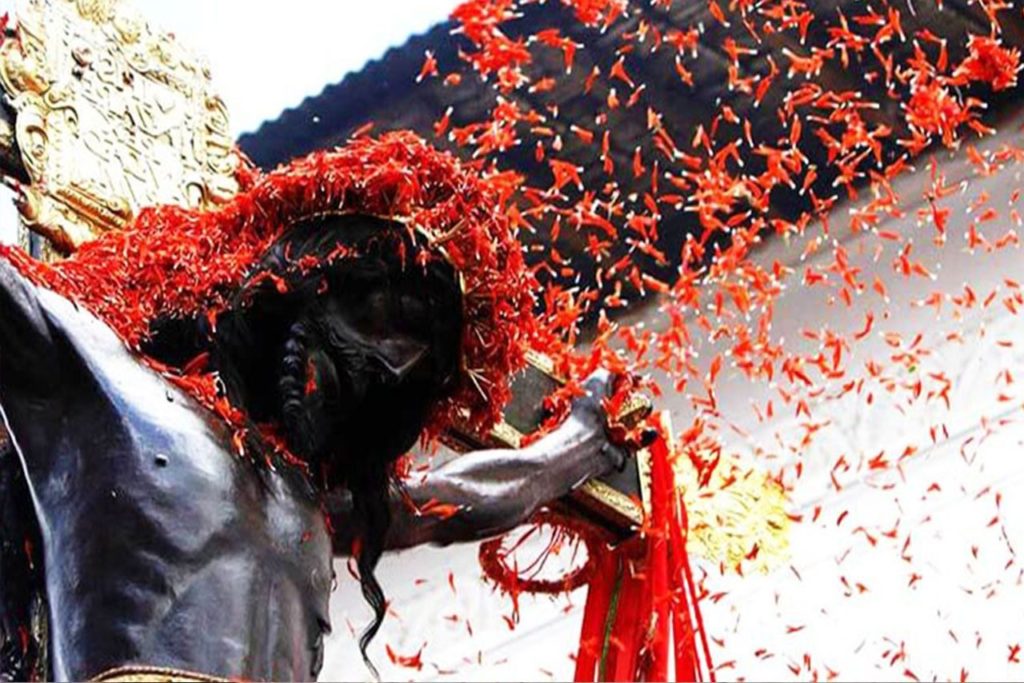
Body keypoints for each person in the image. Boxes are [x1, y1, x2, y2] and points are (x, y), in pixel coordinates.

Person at [0, 135, 632, 682]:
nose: (391, 369)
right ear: (309, 277)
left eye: (416, 368)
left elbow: (457, 501)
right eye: (386, 320)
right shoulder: (98, 379)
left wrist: (580, 445)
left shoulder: (305, 504)